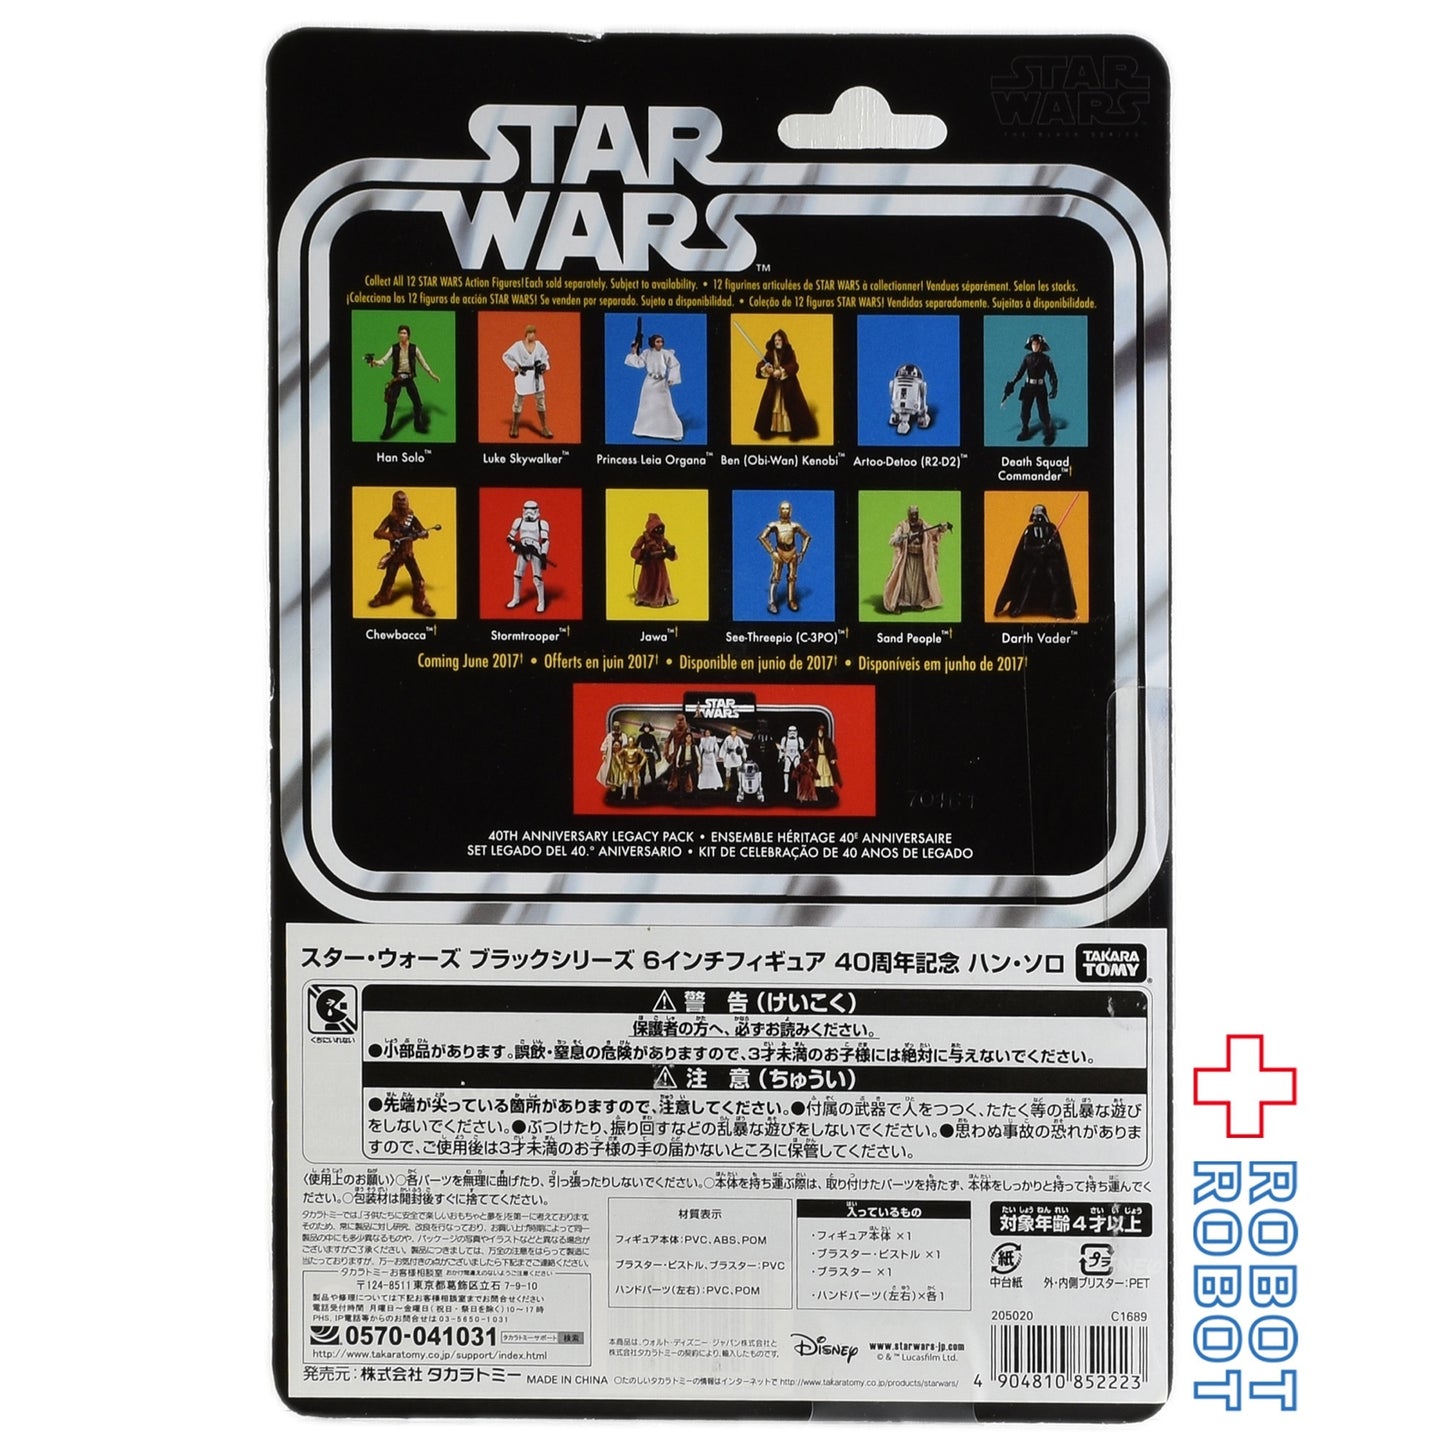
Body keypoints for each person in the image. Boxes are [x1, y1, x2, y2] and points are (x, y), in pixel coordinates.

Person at [993, 503, 1078, 619]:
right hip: (1033, 562)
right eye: (1035, 517)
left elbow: (1058, 547)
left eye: (1039, 517)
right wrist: (1039, 549)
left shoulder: (1051, 529)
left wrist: (1050, 546)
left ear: (1044, 517)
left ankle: (1056, 608)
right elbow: (1025, 547)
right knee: (1025, 583)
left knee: (1057, 582)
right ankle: (1018, 607)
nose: (1037, 519)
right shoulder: (1029, 530)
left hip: (1048, 562)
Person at [369, 490, 438, 616]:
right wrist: (391, 535)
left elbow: (423, 532)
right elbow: (377, 532)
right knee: (389, 578)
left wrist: (419, 534)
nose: (401, 503)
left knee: (418, 580)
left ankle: (421, 604)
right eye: (398, 500)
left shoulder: (412, 519)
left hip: (408, 554)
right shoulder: (390, 518)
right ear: (394, 502)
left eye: (403, 500)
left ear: (407, 501)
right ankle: (382, 597)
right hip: (395, 554)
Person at [367, 324, 441, 440]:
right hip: (397, 379)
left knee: (418, 404)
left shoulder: (414, 348)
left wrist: (432, 374)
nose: (402, 335)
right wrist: (375, 362)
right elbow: (383, 361)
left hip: (409, 378)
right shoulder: (394, 348)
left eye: (404, 333)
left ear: (408, 335)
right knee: (391, 404)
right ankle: (387, 428)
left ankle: (417, 424)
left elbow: (423, 363)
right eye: (400, 333)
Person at [883, 505, 952, 614]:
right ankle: (897, 602)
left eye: (916, 514)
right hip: (907, 559)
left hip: (920, 558)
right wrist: (901, 537)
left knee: (919, 583)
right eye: (912, 514)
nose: (914, 517)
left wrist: (941, 528)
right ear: (908, 515)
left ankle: (916, 603)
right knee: (904, 581)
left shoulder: (923, 525)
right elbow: (892, 541)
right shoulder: (903, 525)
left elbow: (933, 532)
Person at [753, 329, 818, 440]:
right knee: (772, 406)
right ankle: (769, 430)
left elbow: (794, 366)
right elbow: (761, 364)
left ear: (784, 341)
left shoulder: (790, 352)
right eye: (775, 340)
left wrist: (781, 371)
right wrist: (766, 368)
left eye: (779, 340)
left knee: (792, 407)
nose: (777, 342)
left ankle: (796, 431)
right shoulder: (770, 353)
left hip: (789, 386)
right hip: (774, 387)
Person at [1001, 333, 1058, 445]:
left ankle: (1048, 431)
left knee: (1044, 412)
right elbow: (1020, 373)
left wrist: (1054, 387)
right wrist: (1012, 383)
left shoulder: (1046, 359)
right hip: (1028, 387)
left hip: (1041, 387)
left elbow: (1052, 375)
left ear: (1041, 345)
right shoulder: (1027, 358)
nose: (1035, 346)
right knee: (1025, 411)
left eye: (1037, 344)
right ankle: (1025, 430)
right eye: (1033, 344)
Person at [625, 333, 683, 440]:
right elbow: (639, 363)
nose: (660, 344)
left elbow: (675, 365)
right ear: (653, 342)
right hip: (649, 383)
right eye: (658, 341)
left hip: (661, 383)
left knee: (665, 405)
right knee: (647, 406)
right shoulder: (647, 353)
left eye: (661, 341)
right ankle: (643, 429)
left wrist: (671, 378)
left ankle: (673, 431)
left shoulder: (666, 353)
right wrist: (634, 352)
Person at [758, 500, 812, 614]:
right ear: (779, 511)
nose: (785, 511)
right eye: (783, 508)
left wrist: (803, 551)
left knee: (792, 577)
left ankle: (791, 600)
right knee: (776, 577)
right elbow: (762, 537)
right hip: (779, 553)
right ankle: (772, 602)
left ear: (790, 511)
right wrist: (772, 552)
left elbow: (807, 537)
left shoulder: (795, 526)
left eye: (787, 508)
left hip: (792, 553)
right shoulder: (775, 525)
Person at [502, 325, 553, 439]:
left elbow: (545, 357)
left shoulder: (539, 345)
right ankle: (514, 426)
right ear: (526, 334)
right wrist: (515, 367)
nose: (533, 335)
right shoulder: (518, 346)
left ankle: (544, 427)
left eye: (534, 333)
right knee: (518, 402)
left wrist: (544, 365)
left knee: (541, 402)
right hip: (523, 376)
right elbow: (506, 356)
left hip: (536, 376)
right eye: (531, 333)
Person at [505, 498, 550, 612]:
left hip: (535, 551)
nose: (529, 512)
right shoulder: (519, 521)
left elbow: (545, 540)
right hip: (522, 551)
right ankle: (516, 598)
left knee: (537, 578)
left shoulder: (541, 523)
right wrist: (515, 548)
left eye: (532, 509)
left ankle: (541, 602)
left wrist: (543, 554)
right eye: (527, 509)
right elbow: (510, 537)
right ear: (523, 510)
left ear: (536, 510)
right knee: (517, 575)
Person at [630, 512, 678, 607]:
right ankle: (646, 598)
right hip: (648, 566)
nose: (659, 530)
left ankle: (662, 598)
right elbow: (634, 550)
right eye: (656, 528)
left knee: (661, 582)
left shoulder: (662, 539)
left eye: (660, 528)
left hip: (660, 566)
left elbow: (672, 552)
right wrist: (642, 554)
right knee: (647, 583)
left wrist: (670, 552)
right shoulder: (644, 538)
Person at [803, 724, 842, 800]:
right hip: (818, 759)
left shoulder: (827, 740)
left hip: (825, 759)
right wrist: (810, 757)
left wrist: (833, 758)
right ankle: (817, 789)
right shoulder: (814, 740)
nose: (820, 733)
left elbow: (832, 749)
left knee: (826, 772)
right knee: (817, 773)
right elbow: (810, 749)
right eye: (819, 732)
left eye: (821, 732)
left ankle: (827, 789)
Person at [718, 726, 748, 794]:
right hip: (729, 755)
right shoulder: (728, 738)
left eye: (734, 731)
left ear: (736, 732)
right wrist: (722, 755)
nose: (733, 733)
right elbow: (724, 747)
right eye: (732, 731)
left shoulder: (738, 738)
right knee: (728, 771)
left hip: (736, 755)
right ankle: (727, 785)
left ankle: (740, 785)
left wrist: (744, 756)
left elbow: (742, 747)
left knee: (739, 771)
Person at [597, 724, 626, 790]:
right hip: (612, 756)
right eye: (615, 727)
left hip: (620, 756)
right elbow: (605, 745)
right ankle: (612, 783)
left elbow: (625, 745)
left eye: (617, 727)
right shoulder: (609, 736)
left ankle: (618, 783)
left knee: (619, 770)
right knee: (612, 770)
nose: (616, 729)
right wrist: (604, 753)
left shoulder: (623, 736)